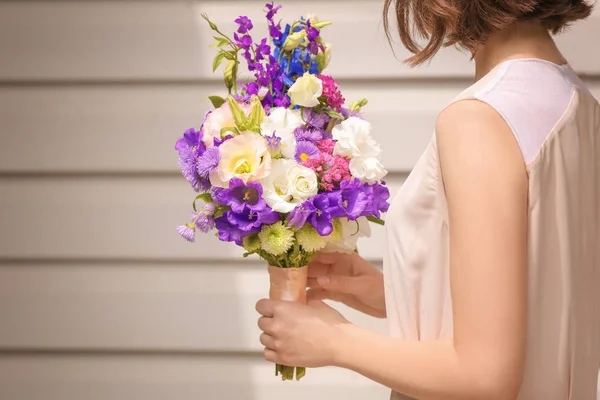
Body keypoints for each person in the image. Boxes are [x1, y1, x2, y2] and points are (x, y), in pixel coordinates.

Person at [255, 0, 600, 398]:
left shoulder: (481, 118)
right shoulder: (578, 105)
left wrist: (334, 341)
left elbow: (484, 376)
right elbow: (543, 300)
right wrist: (395, 292)